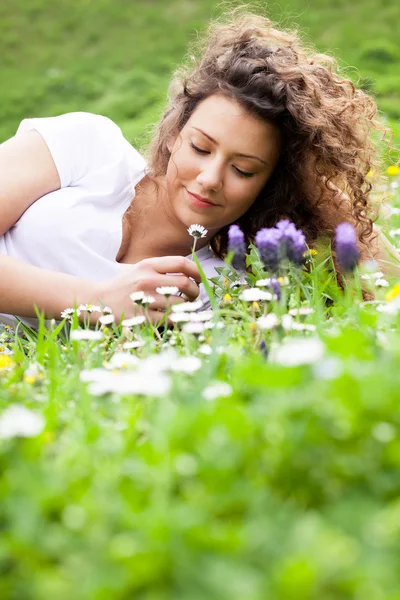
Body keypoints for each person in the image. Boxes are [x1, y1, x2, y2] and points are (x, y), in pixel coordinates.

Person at [0, 8, 399, 329]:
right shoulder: (87, 144)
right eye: (200, 147)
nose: (209, 180)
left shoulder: (225, 285)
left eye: (244, 170)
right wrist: (93, 301)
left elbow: (389, 292)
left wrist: (312, 177)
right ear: (174, 131)